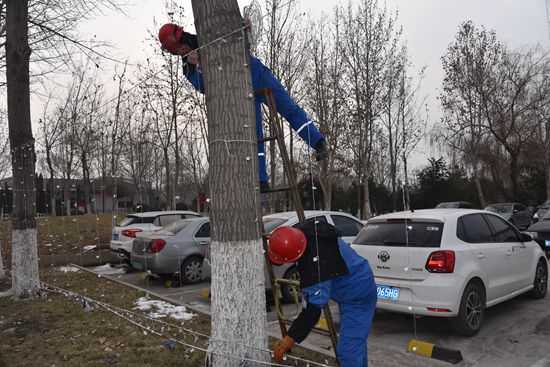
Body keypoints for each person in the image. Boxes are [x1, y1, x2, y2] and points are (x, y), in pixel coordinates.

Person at [158, 23, 328, 190]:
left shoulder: (208, 35)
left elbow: (234, 32)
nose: (180, 52)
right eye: (176, 52)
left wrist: (244, 28)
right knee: (255, 133)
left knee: (289, 108)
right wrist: (194, 66)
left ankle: (318, 142)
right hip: (240, 89)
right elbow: (203, 87)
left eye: (180, 47)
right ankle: (261, 179)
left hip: (255, 72)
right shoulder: (187, 67)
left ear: (183, 38)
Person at [268, 222, 377, 367]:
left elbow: (312, 312)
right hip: (353, 285)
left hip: (358, 297)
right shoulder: (306, 233)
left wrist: (288, 340)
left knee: (348, 351)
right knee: (355, 343)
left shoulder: (317, 269)